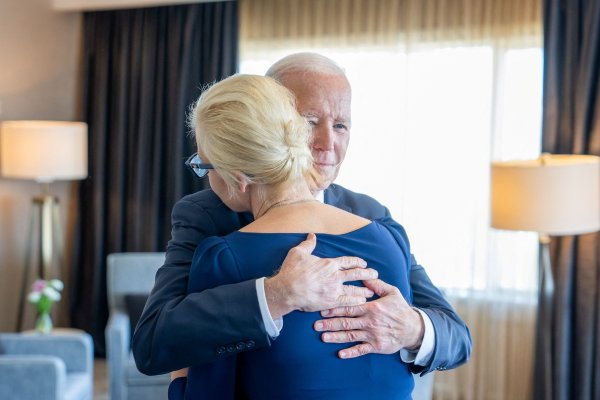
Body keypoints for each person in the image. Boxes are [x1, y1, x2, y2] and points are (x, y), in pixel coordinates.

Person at [132, 52, 471, 378]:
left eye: (340, 126)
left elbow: (457, 337)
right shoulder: (205, 215)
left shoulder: (374, 217)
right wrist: (275, 295)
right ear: (270, 123)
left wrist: (412, 328)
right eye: (310, 122)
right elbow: (154, 342)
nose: (327, 142)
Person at [170, 73, 416, 399]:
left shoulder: (223, 259)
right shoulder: (388, 239)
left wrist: (179, 374)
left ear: (239, 176)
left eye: (205, 165)